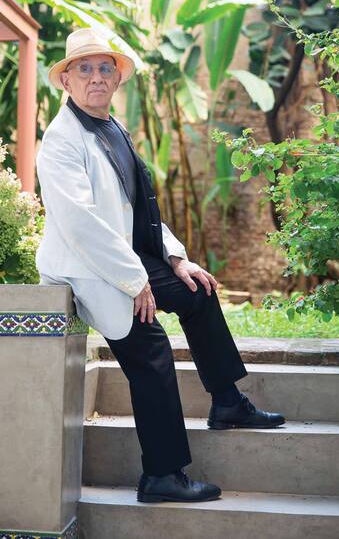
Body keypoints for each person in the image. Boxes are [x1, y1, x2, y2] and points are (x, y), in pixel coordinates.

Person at [36, 28, 285, 504]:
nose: (96, 77)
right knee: (150, 351)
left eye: (105, 68)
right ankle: (162, 476)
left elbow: (138, 209)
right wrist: (135, 281)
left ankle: (228, 404)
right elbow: (81, 224)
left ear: (117, 78)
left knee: (199, 293)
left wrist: (175, 258)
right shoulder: (61, 140)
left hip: (131, 259)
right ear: (65, 81)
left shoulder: (111, 127)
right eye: (83, 69)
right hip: (89, 267)